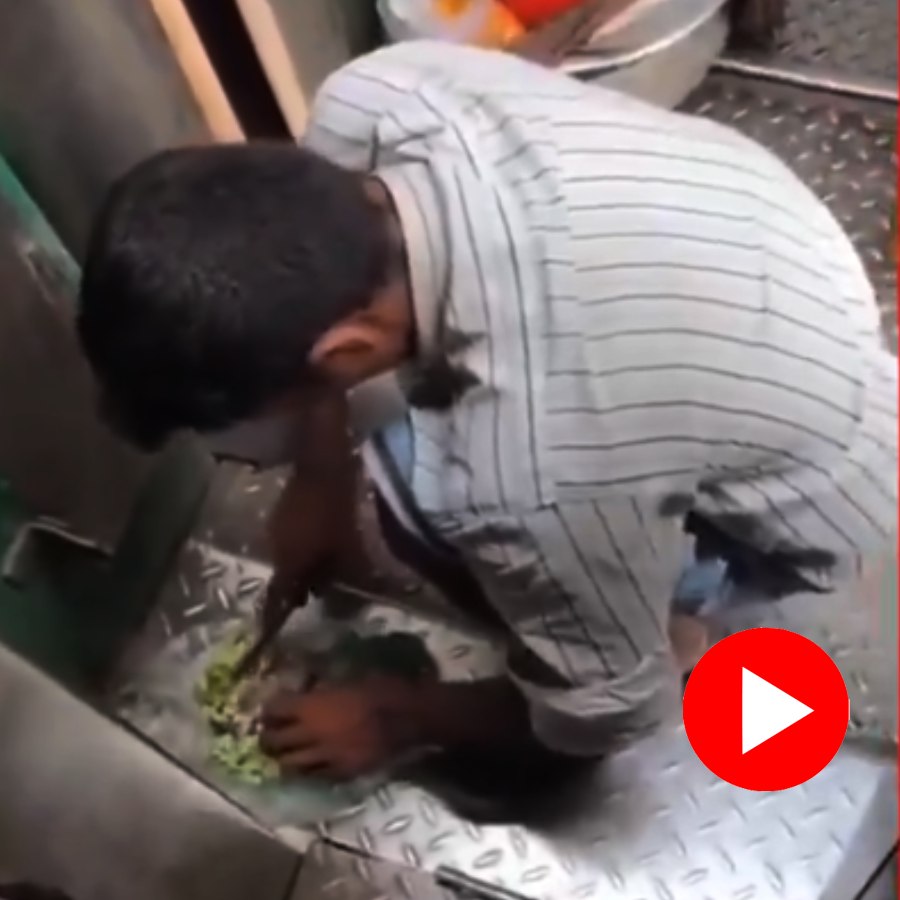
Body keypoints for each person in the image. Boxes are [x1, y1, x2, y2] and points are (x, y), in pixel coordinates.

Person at [77, 41, 896, 785]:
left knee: (428, 497)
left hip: (811, 487)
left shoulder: (528, 475)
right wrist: (320, 485)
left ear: (342, 351)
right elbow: (344, 351)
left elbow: (608, 715)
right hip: (768, 268)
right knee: (420, 460)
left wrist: (394, 713)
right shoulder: (377, 98)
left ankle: (679, 609)